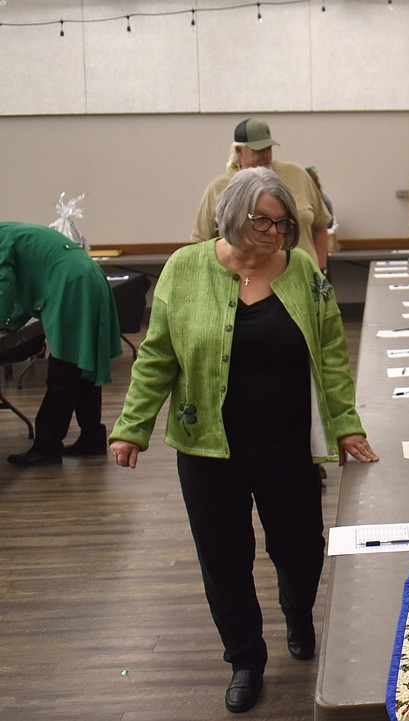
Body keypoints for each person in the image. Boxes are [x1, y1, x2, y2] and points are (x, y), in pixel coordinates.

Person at [109, 167, 378, 714]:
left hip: (285, 448)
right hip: (207, 450)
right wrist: (131, 427)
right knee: (224, 559)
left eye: (282, 224)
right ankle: (245, 660)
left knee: (301, 547)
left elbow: (329, 351)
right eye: (262, 221)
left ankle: (298, 612)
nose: (274, 233)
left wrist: (347, 422)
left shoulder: (302, 270)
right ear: (231, 215)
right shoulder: (185, 269)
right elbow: (158, 354)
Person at [1, 222, 122, 466]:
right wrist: (9, 323)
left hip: (71, 284)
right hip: (86, 276)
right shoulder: (12, 231)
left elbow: (3, 284)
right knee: (82, 365)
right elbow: (22, 287)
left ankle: (47, 446)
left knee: (64, 368)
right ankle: (92, 437)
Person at [191, 117, 332, 272]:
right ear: (239, 152)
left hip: (302, 279)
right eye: (258, 150)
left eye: (268, 148)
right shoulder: (219, 188)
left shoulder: (297, 174)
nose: (265, 155)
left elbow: (320, 224)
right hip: (245, 284)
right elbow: (201, 243)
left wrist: (320, 269)